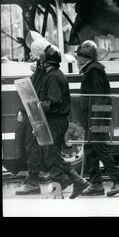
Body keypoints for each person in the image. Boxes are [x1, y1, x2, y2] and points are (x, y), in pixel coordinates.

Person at [75, 40, 119, 197]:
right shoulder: (91, 69)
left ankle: (118, 181)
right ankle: (95, 183)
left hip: (97, 118)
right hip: (94, 118)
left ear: (85, 57)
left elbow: (99, 97)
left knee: (100, 148)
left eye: (79, 56)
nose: (77, 59)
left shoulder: (93, 70)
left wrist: (95, 120)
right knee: (90, 149)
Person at [38, 44, 89, 199]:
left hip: (55, 121)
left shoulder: (52, 76)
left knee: (52, 157)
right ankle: (76, 181)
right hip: (58, 121)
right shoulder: (57, 74)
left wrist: (39, 105)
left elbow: (54, 102)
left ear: (45, 61)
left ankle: (59, 192)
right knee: (54, 156)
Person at [15, 37, 51, 195]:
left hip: (36, 114)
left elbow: (31, 93)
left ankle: (33, 181)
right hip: (36, 113)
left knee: (33, 147)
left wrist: (22, 110)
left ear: (40, 55)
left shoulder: (40, 72)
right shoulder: (43, 70)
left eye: (33, 53)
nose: (30, 55)